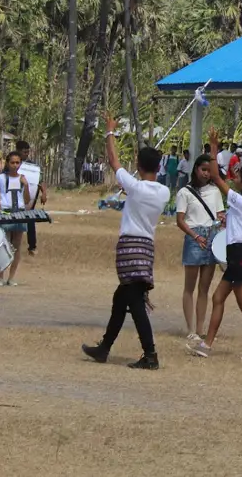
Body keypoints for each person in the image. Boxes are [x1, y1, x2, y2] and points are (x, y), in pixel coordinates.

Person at [82, 113, 170, 369]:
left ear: (140, 166)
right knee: (121, 298)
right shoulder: (163, 192)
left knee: (134, 302)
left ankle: (150, 355)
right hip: (146, 246)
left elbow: (113, 161)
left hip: (129, 246)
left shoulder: (136, 187)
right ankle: (104, 347)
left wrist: (110, 132)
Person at [186, 128, 242, 361]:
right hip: (241, 254)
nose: (232, 178)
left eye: (237, 176)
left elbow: (216, 177)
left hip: (237, 255)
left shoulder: (240, 201)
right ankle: (207, 344)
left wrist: (214, 148)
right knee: (218, 298)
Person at [175, 154, 225, 341]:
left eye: (209, 171)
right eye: (203, 170)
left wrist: (222, 221)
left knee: (204, 287)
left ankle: (200, 328)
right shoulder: (185, 192)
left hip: (211, 236)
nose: (206, 174)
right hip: (194, 236)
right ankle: (190, 330)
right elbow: (180, 220)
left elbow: (220, 215)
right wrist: (195, 236)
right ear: (195, 169)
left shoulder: (215, 191)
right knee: (190, 286)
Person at [0, 151, 32, 286]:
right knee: (2, 245)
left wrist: (26, 186)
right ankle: (0, 276)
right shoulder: (1, 178)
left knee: (16, 246)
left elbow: (27, 200)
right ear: (8, 163)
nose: (15, 165)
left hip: (20, 212)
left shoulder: (23, 178)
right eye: (12, 162)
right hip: (5, 213)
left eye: (17, 162)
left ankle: (11, 277)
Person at [15, 140, 45, 257]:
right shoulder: (12, 163)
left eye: (28, 152)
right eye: (24, 152)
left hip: (29, 200)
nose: (26, 154)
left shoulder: (33, 166)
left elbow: (40, 180)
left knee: (30, 221)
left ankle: (32, 247)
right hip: (13, 199)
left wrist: (44, 193)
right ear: (18, 151)